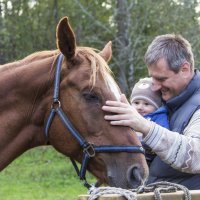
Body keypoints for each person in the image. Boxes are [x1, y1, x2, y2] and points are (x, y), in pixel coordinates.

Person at [102, 34, 200, 190]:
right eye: (152, 78)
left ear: (185, 69)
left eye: (161, 79)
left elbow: (195, 156)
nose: (154, 86)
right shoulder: (166, 99)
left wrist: (145, 126)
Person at [130, 77, 169, 165]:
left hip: (150, 158)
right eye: (136, 103)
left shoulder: (159, 117)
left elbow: (163, 136)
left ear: (156, 107)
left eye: (146, 104)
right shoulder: (128, 116)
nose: (140, 107)